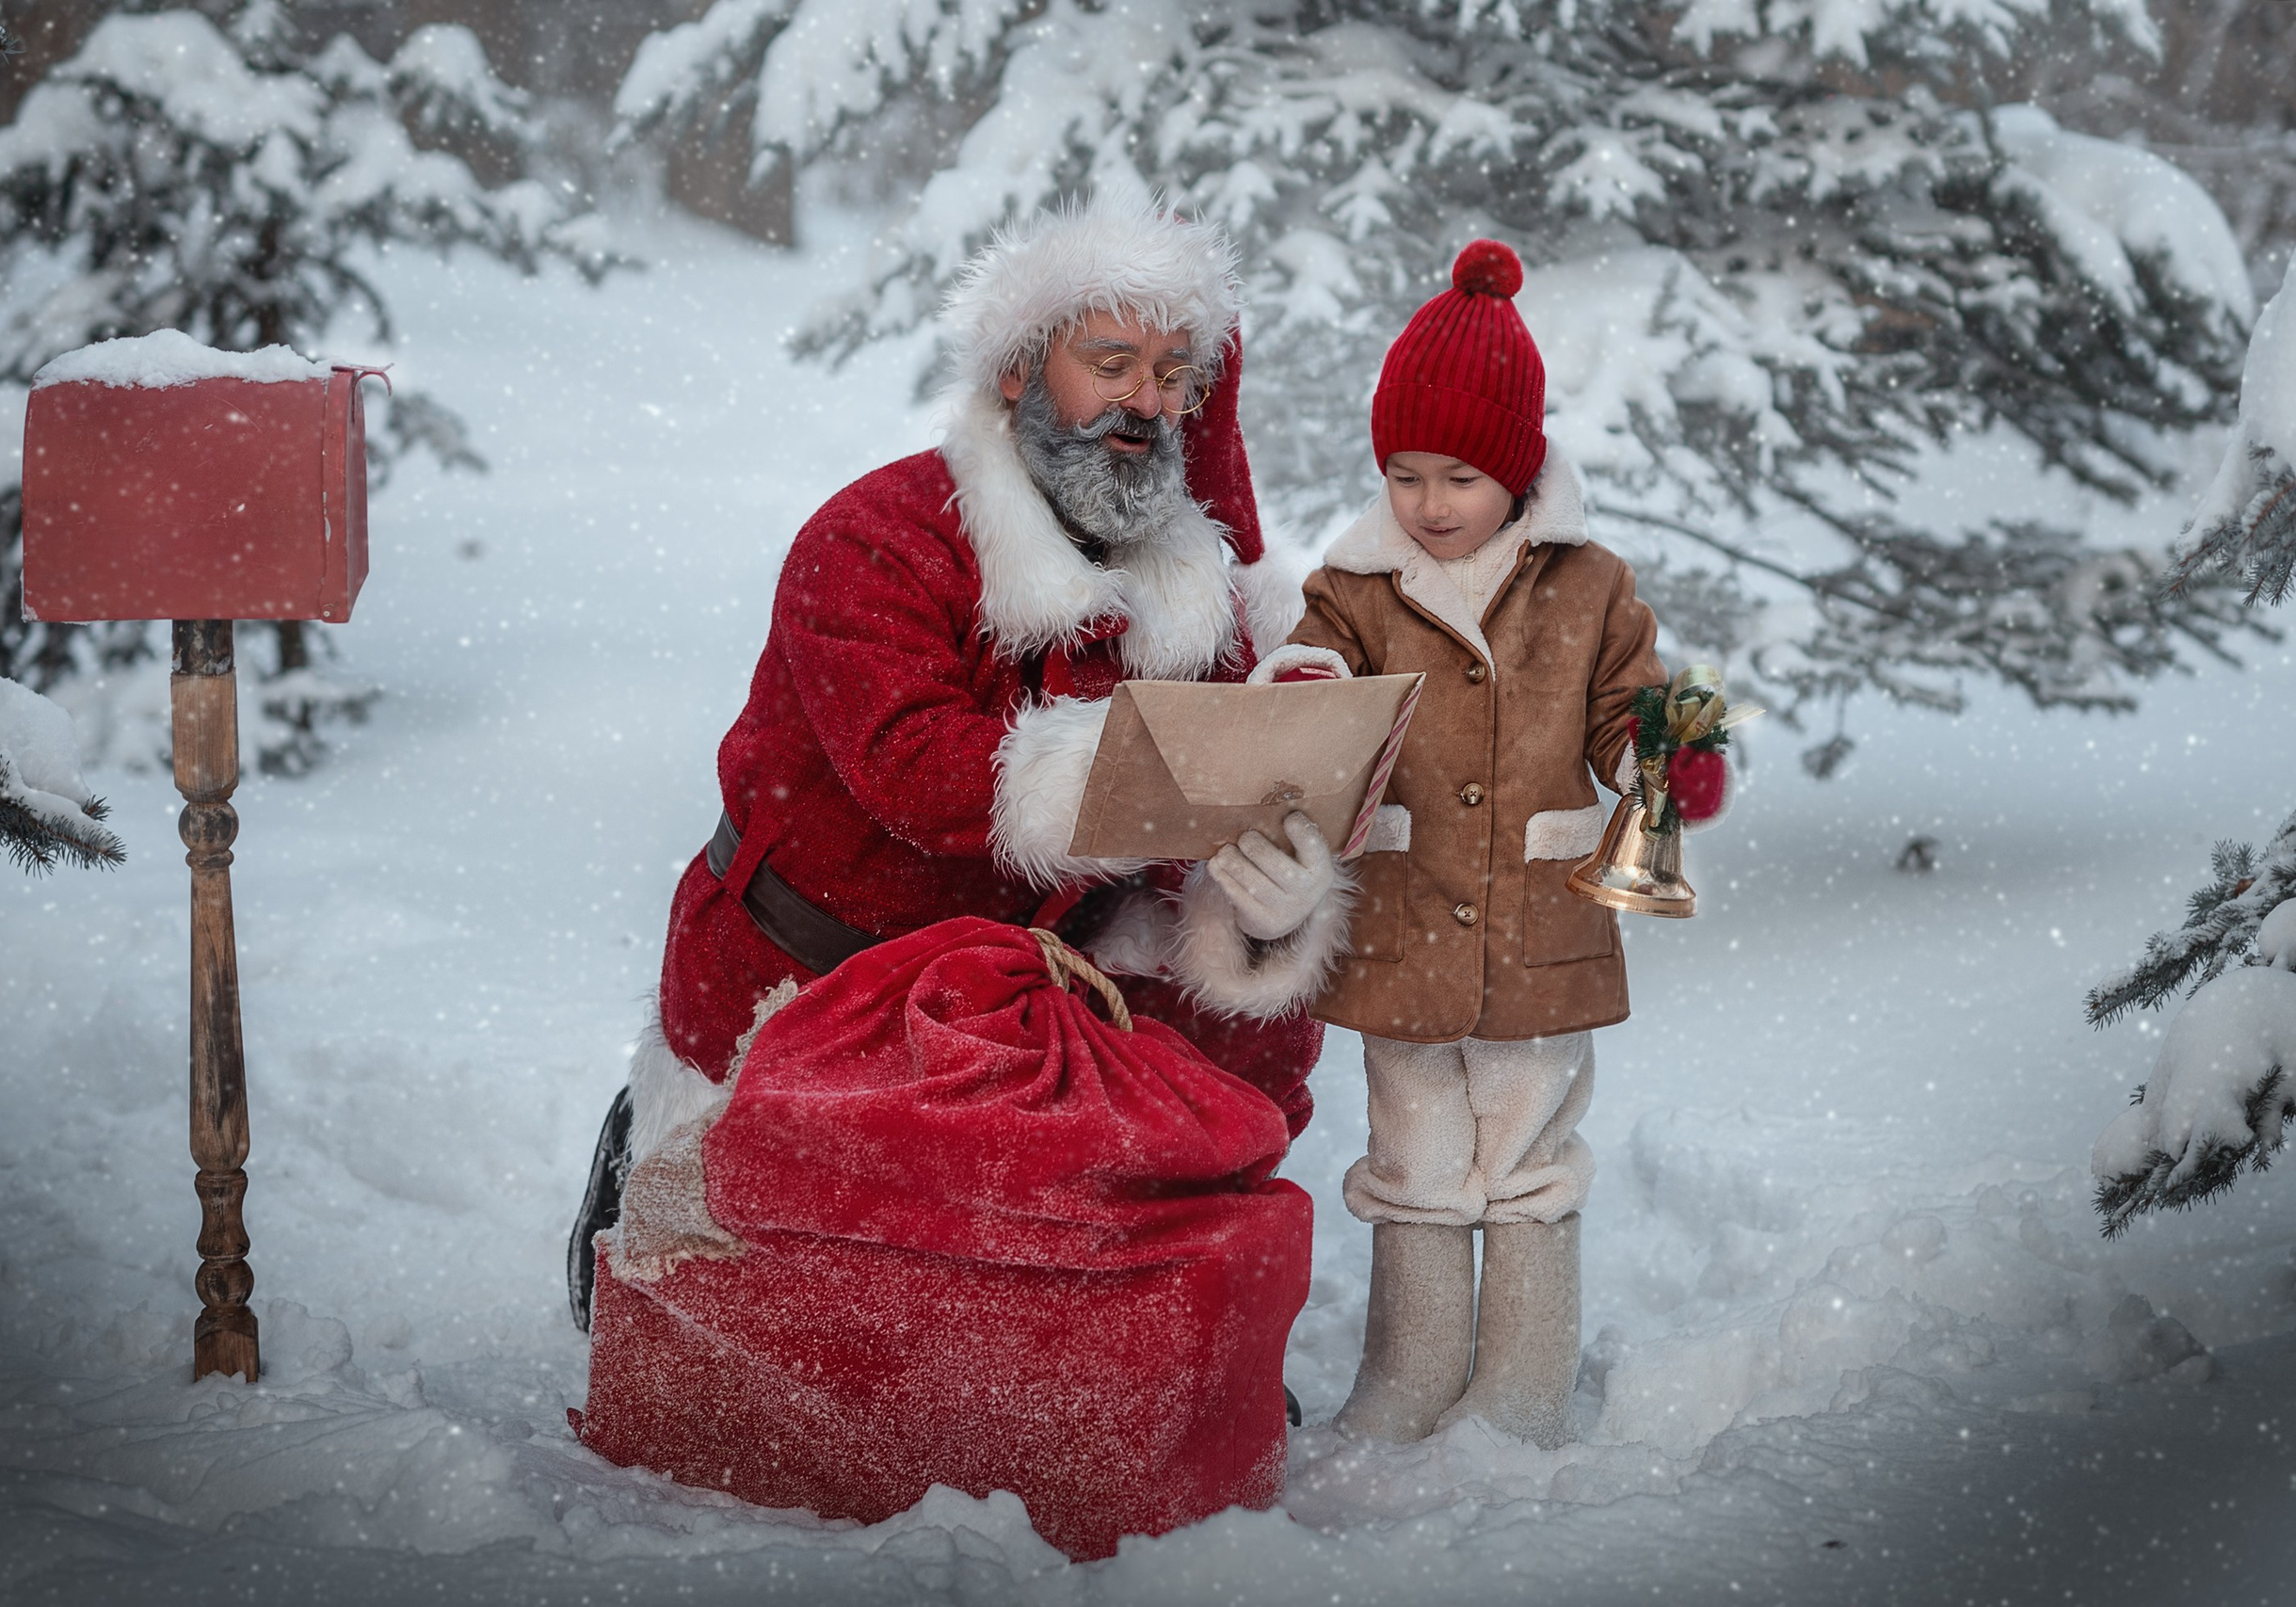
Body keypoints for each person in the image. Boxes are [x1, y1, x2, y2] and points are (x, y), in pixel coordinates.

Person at [568, 200, 1351, 1326]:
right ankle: (656, 1180)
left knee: (1250, 1023)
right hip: (810, 971)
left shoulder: (1192, 596)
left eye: (1174, 376)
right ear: (1018, 371)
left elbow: (1224, 810)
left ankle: (1154, 1335)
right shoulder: (874, 538)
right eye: (1110, 364)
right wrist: (1157, 769)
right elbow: (919, 773)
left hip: (1032, 989)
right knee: (779, 1305)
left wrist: (1258, 906)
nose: (1145, 403)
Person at [1248, 240, 1731, 1447]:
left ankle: (1522, 1381)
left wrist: (1665, 756)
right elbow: (1315, 680)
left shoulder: (1589, 586)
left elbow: (1625, 714)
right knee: (1411, 1153)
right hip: (1404, 924)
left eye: (1458, 476)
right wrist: (1303, 694)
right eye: (1403, 474)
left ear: (1515, 471)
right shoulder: (1356, 587)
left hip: (1538, 925)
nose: (1427, 503)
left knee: (1526, 1152)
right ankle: (1410, 1372)